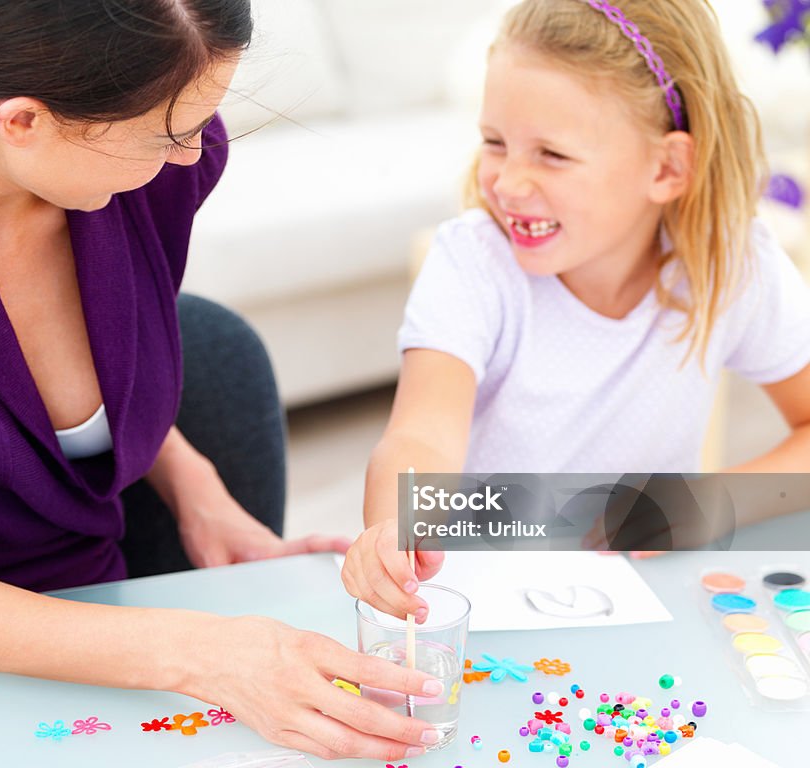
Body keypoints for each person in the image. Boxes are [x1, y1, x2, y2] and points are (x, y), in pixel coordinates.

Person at [0, 0, 445, 760]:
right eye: (168, 133)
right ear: (23, 121)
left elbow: (53, 400)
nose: (196, 156)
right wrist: (204, 653)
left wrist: (193, 486)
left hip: (105, 623)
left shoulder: (149, 176)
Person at [342, 0, 810, 621]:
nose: (507, 182)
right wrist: (396, 530)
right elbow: (420, 432)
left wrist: (704, 505)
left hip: (652, 604)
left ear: (668, 167)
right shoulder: (473, 264)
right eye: (494, 143)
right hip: (486, 602)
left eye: (552, 155)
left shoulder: (733, 264)